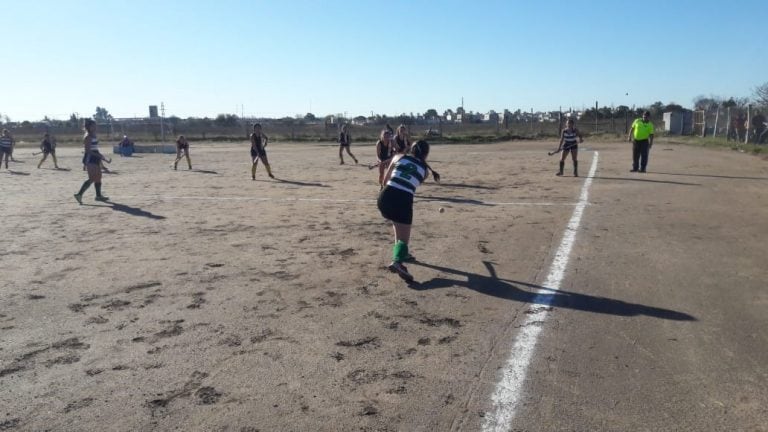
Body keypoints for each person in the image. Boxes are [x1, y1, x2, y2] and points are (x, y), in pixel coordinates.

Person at [377, 140, 437, 282]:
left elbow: (385, 181)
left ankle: (404, 254)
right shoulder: (426, 172)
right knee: (404, 237)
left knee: (396, 222)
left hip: (384, 197)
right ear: (426, 154)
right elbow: (412, 183)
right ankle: (398, 261)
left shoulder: (398, 157)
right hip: (403, 201)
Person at [74, 119, 109, 204]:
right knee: (93, 177)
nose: (95, 127)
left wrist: (102, 157)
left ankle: (98, 196)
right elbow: (88, 150)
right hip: (90, 158)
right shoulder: (88, 136)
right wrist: (99, 156)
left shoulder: (93, 135)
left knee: (98, 177)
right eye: (93, 125)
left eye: (95, 125)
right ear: (88, 127)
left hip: (95, 157)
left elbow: (95, 149)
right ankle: (79, 194)